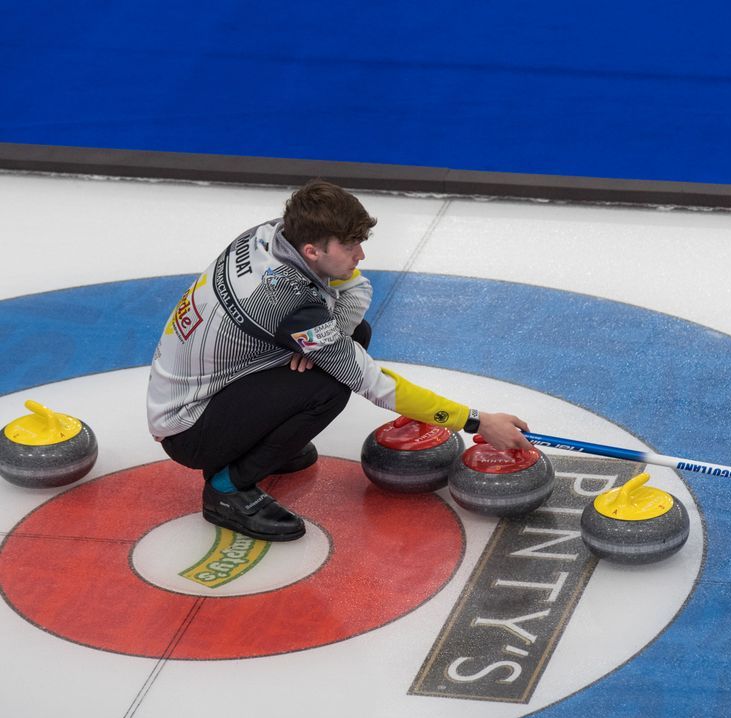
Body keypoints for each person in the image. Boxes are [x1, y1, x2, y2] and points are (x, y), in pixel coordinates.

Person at [146, 179, 532, 542]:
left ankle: (256, 444)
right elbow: (375, 384)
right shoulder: (286, 302)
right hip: (189, 429)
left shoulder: (278, 233)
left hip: (207, 390)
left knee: (354, 334)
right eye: (350, 247)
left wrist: (333, 338)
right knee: (329, 386)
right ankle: (226, 490)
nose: (360, 255)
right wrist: (478, 420)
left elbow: (355, 285)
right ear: (313, 251)